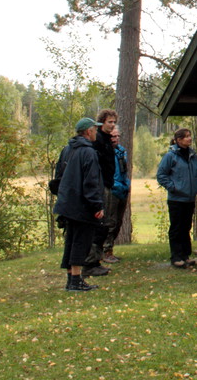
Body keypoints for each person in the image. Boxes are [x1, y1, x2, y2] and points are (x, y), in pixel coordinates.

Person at [54, 117, 105, 292]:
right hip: (82, 205)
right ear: (88, 131)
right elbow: (91, 182)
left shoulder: (68, 149)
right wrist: (96, 205)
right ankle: (76, 280)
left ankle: (71, 279)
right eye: (95, 129)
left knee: (71, 240)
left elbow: (58, 176)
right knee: (81, 241)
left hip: (67, 203)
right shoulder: (88, 152)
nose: (96, 132)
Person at [156, 128, 197, 268]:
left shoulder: (192, 155)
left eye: (190, 136)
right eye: (186, 136)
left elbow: (196, 174)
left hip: (190, 198)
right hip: (176, 199)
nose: (189, 138)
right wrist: (173, 187)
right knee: (176, 227)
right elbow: (161, 175)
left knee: (186, 227)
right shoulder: (171, 156)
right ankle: (176, 256)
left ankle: (185, 255)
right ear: (179, 140)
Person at [83, 108, 118, 277]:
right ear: (101, 122)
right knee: (99, 224)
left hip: (107, 185)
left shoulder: (107, 140)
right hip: (99, 186)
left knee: (105, 225)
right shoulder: (96, 141)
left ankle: (95, 260)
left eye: (114, 122)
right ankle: (90, 262)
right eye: (109, 122)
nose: (112, 125)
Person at [102, 128, 130, 263]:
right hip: (111, 190)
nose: (116, 139)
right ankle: (105, 251)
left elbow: (124, 171)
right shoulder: (104, 151)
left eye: (118, 136)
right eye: (113, 136)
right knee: (110, 222)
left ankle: (110, 249)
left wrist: (126, 185)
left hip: (122, 189)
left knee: (118, 222)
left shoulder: (121, 151)